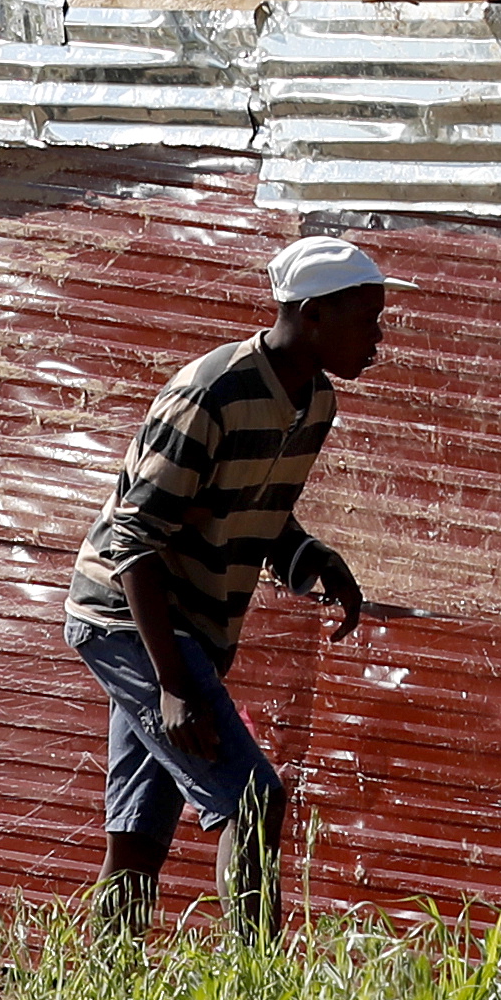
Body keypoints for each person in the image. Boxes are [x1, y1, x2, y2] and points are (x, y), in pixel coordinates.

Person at [65, 231, 387, 935]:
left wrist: (313, 559)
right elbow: (134, 538)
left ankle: (104, 985)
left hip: (194, 630)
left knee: (140, 827)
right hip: (130, 619)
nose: (379, 339)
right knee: (253, 798)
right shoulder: (208, 393)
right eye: (367, 320)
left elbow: (259, 509)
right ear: (312, 315)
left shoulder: (314, 404)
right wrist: (175, 681)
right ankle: (256, 991)